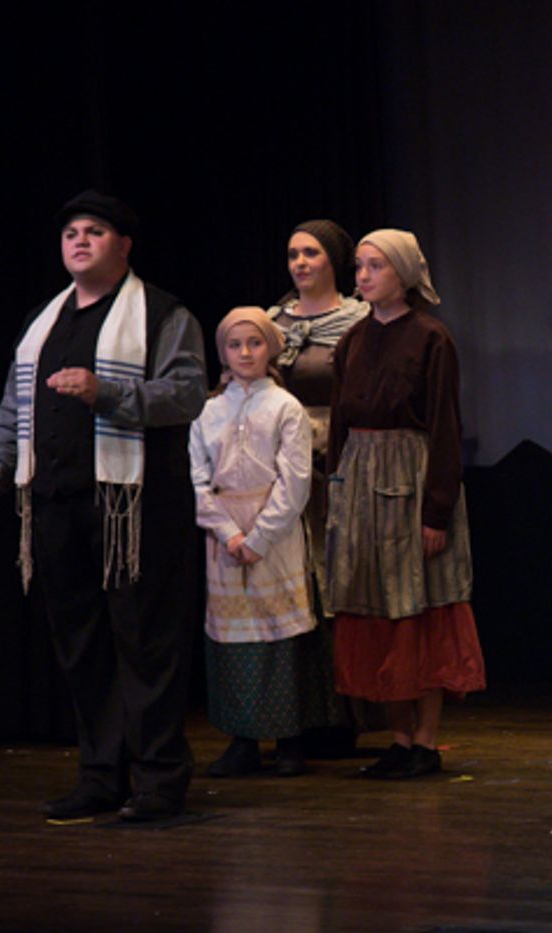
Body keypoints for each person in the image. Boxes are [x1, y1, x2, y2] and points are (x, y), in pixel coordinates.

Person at [0, 191, 206, 822]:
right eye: (71, 232)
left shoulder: (162, 313)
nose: (79, 240)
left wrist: (108, 392)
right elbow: (13, 411)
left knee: (144, 642)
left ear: (123, 245)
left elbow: (186, 395)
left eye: (94, 231)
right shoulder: (40, 323)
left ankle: (159, 780)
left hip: (133, 508)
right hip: (54, 502)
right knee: (81, 646)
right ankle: (102, 774)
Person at [327, 228, 485, 779]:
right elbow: (342, 426)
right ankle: (397, 738)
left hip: (411, 477)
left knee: (422, 605)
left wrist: (436, 510)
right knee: (377, 607)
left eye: (376, 267)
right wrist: (338, 491)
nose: (363, 277)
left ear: (404, 274)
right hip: (363, 481)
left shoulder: (430, 338)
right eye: (360, 268)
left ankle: (425, 742)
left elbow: (444, 425)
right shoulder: (351, 340)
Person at [191, 307, 337, 778]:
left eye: (254, 343)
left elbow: (295, 482)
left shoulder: (284, 407)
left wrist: (259, 537)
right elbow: (197, 479)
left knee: (282, 630)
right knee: (233, 636)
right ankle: (244, 738)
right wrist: (229, 533)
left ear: (269, 348)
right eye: (235, 345)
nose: (245, 353)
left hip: (274, 535)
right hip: (225, 537)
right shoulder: (209, 411)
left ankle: (291, 738)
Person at [266, 220, 372, 751]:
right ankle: (299, 711)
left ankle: (344, 713)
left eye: (311, 253)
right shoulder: (269, 323)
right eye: (293, 254)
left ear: (334, 260)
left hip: (339, 462)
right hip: (282, 470)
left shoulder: (358, 320)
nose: (300, 263)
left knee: (337, 581)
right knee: (296, 584)